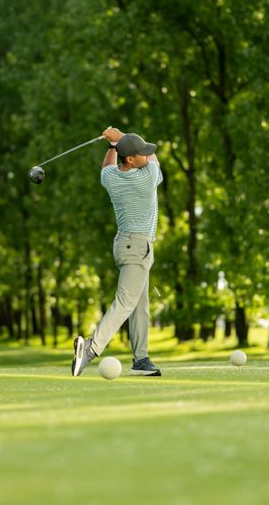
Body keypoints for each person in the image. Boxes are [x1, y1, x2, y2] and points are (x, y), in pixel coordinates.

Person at [72, 127, 163, 377]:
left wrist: (112, 145)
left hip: (124, 245)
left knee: (139, 304)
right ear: (131, 160)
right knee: (125, 303)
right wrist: (120, 135)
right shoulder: (147, 178)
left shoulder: (112, 178)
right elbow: (154, 161)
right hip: (138, 247)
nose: (147, 155)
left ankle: (141, 359)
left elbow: (106, 168)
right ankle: (90, 349)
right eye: (141, 153)